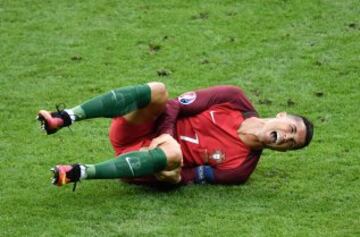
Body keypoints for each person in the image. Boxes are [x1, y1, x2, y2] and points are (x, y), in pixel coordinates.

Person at [37, 82, 313, 190]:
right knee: (158, 90)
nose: (287, 138)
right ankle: (64, 117)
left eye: (291, 144)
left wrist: (171, 176)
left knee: (174, 155)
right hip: (140, 129)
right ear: (281, 116)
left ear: (282, 151)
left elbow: (187, 178)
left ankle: (77, 173)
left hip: (146, 160)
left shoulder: (239, 169)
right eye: (291, 129)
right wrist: (166, 134)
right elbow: (173, 106)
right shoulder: (233, 98)